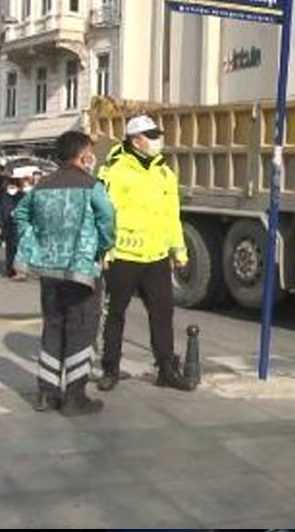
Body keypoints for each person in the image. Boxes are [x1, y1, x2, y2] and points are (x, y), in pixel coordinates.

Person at [14, 131, 114, 415]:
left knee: (53, 327)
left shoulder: (41, 186)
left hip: (48, 269)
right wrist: (102, 246)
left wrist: (35, 242)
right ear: (83, 155)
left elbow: (21, 216)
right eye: (91, 153)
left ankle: (46, 394)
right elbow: (107, 218)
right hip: (81, 270)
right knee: (82, 328)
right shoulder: (91, 186)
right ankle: (74, 397)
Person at [97, 115, 195, 392]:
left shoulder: (164, 173)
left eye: (157, 135)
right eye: (151, 136)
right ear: (135, 140)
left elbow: (171, 216)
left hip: (156, 257)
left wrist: (179, 250)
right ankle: (110, 369)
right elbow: (103, 214)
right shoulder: (114, 171)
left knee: (163, 314)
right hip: (123, 256)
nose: (157, 141)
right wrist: (104, 249)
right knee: (115, 313)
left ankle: (166, 369)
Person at [0, 176, 24, 279]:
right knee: (9, 249)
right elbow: (0, 211)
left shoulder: (22, 196)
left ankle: (18, 270)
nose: (11, 188)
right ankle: (9, 269)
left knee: (17, 248)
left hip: (18, 225)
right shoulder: (4, 196)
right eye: (10, 186)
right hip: (7, 225)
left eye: (13, 186)